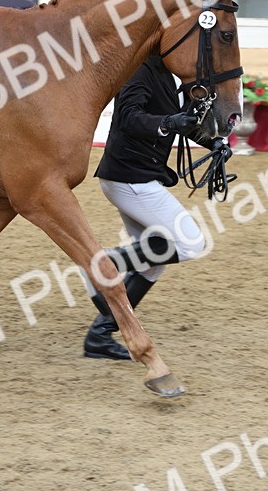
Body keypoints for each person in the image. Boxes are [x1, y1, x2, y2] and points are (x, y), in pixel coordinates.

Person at [83, 54, 222, 360]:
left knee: (153, 261)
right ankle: (101, 263)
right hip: (129, 177)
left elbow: (181, 122)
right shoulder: (139, 68)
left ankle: (100, 334)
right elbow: (129, 117)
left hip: (137, 178)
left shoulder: (175, 75)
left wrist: (212, 142)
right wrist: (167, 123)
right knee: (190, 243)